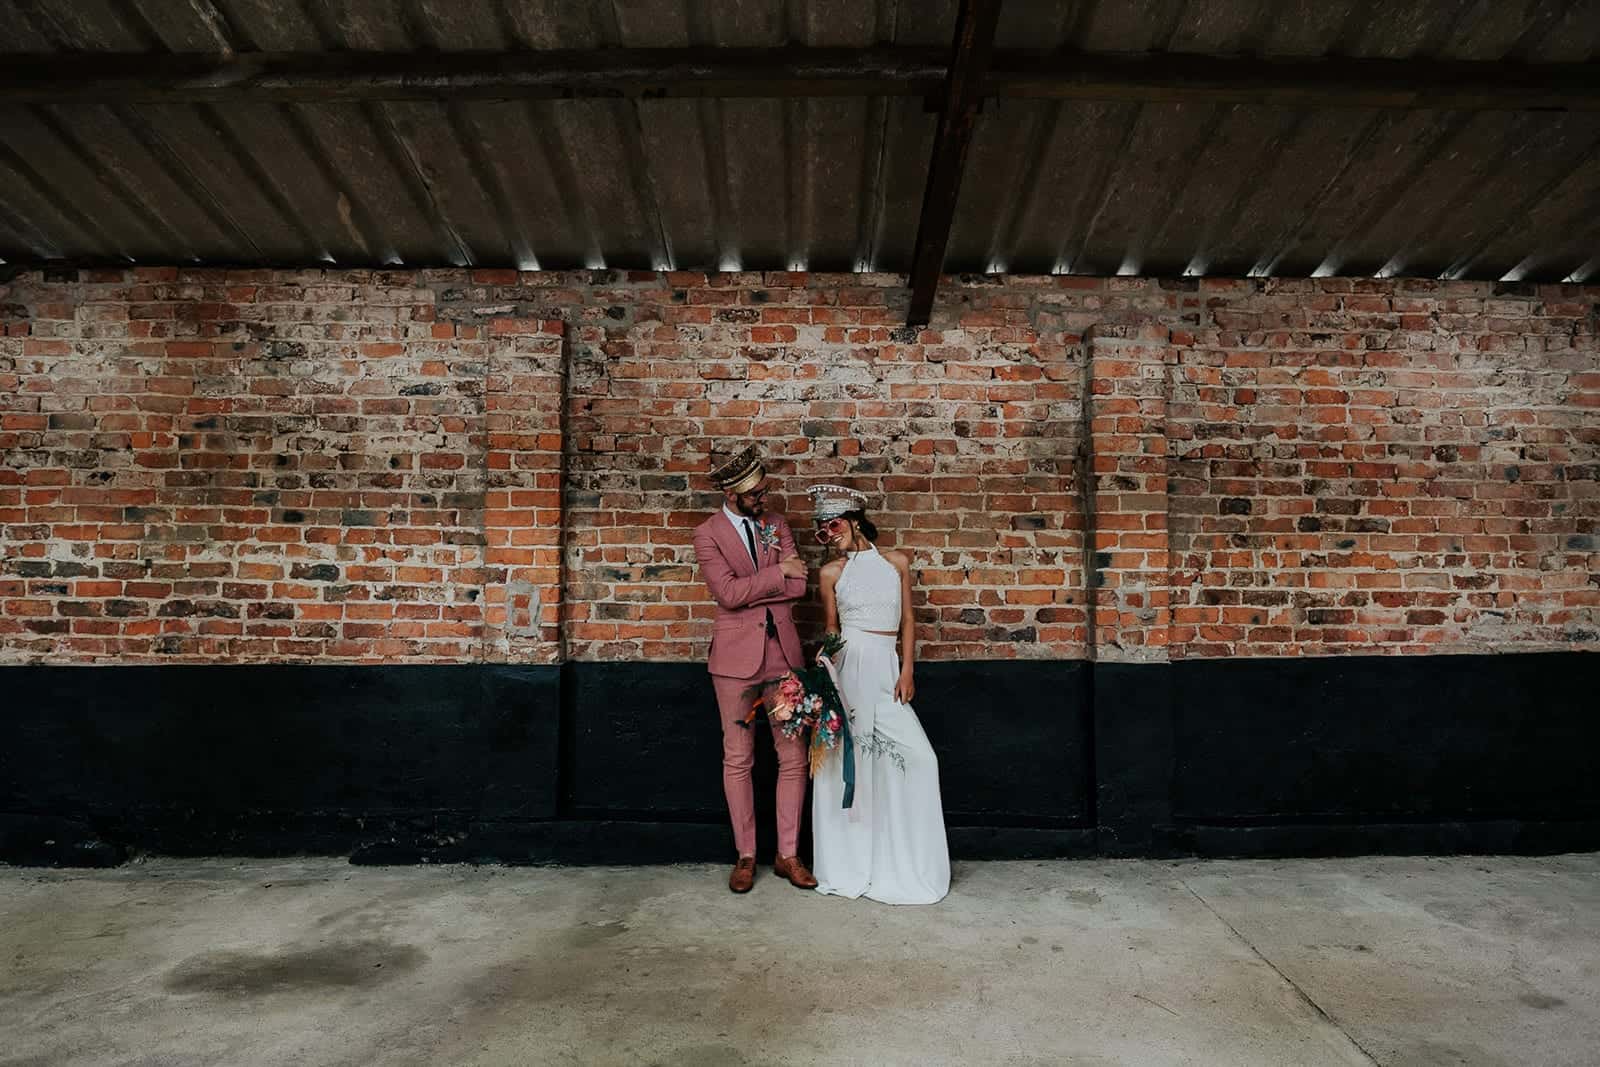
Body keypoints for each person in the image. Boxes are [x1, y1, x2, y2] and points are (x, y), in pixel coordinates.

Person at [808, 484, 950, 905]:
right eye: (821, 531)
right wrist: (824, 665)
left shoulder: (896, 562)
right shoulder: (830, 573)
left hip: (887, 668)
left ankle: (903, 861)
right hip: (850, 667)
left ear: (853, 521)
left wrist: (907, 670)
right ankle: (850, 863)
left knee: (921, 759)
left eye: (832, 525)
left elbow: (908, 620)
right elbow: (833, 629)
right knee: (849, 763)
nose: (828, 535)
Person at [691, 445, 818, 894]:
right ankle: (746, 856)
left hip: (783, 661)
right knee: (739, 758)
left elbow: (800, 585)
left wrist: (768, 582)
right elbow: (725, 594)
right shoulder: (707, 535)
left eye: (764, 490)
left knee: (792, 757)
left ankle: (788, 854)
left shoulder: (777, 525)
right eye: (755, 493)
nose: (764, 498)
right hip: (734, 666)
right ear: (732, 493)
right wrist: (775, 574)